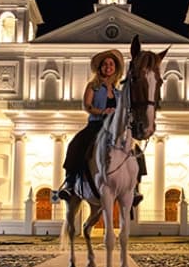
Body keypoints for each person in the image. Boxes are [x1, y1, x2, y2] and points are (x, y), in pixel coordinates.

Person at [58, 48, 145, 206]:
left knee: (136, 150)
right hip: (96, 125)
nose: (108, 67)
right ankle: (70, 184)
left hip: (114, 128)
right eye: (105, 64)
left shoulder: (119, 93)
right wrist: (103, 112)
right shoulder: (93, 86)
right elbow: (87, 105)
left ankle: (135, 187)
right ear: (100, 68)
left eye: (111, 64)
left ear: (115, 69)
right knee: (76, 144)